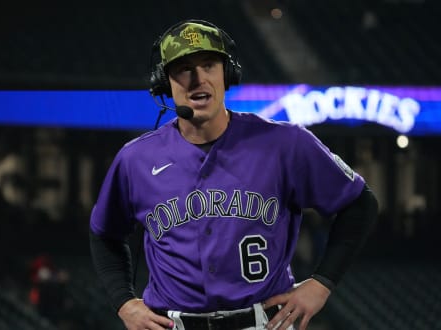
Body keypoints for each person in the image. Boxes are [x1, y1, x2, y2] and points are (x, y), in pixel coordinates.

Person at [89, 19, 378, 330]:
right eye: (183, 68)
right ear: (164, 82)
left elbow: (359, 204)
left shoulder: (285, 144)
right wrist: (124, 302)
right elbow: (104, 233)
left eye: (209, 64)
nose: (198, 78)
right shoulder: (136, 159)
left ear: (227, 75)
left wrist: (322, 284)